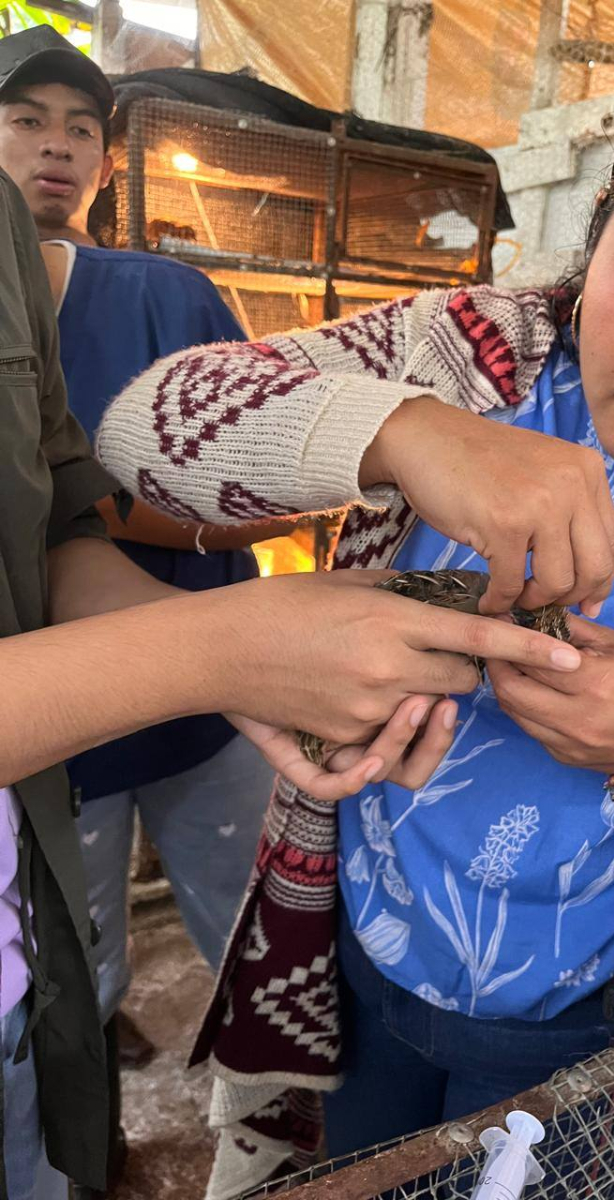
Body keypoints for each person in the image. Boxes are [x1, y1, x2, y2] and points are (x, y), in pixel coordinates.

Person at [98, 41, 614, 1188]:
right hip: (360, 958)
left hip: (610, 1032)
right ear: (605, 217)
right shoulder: (473, 355)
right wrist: (405, 435)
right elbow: (145, 432)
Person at [0, 157, 582, 1200]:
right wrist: (223, 644)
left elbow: (49, 531)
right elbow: (144, 434)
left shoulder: (7, 230)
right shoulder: (487, 338)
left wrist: (228, 644)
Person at [0, 29, 284, 1174]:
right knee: (84, 961)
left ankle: (269, 1126)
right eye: (28, 121)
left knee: (254, 932)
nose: (56, 149)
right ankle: (94, 1147)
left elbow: (264, 468)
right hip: (60, 737)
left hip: (199, 713)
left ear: (109, 168)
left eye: (82, 130)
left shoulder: (169, 292)